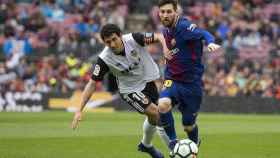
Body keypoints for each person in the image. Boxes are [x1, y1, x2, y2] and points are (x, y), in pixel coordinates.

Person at [71, 24, 170, 158]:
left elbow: (159, 37)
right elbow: (92, 84)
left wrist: (165, 50)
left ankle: (146, 145)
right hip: (130, 90)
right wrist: (79, 110)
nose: (112, 44)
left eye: (114, 39)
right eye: (108, 42)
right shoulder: (104, 59)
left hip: (148, 81)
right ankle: (174, 149)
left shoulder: (134, 39)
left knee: (153, 117)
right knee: (157, 114)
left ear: (120, 36)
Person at [156, 0, 221, 151]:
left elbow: (204, 33)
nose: (165, 15)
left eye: (168, 12)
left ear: (176, 12)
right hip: (172, 79)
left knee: (188, 125)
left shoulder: (184, 27)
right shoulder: (166, 30)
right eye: (162, 12)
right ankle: (173, 141)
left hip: (192, 84)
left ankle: (194, 145)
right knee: (163, 104)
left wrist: (210, 42)